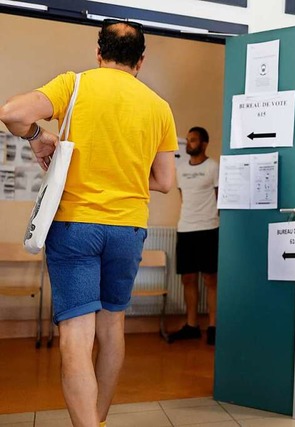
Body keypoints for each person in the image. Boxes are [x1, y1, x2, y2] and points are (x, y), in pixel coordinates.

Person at [0, 20, 177, 427]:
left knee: (76, 335)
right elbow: (165, 182)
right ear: (141, 61)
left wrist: (38, 137)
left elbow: (12, 113)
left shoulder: (76, 84)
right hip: (129, 229)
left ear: (99, 53)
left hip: (76, 226)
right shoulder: (158, 106)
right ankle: (97, 419)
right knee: (112, 326)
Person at [168, 126, 219, 346]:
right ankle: (191, 325)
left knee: (210, 279)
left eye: (194, 140)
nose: (189, 144)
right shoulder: (180, 170)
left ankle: (213, 326)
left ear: (204, 144)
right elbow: (183, 197)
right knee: (187, 278)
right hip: (186, 228)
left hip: (209, 228)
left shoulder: (213, 167)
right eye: (188, 140)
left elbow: (219, 198)